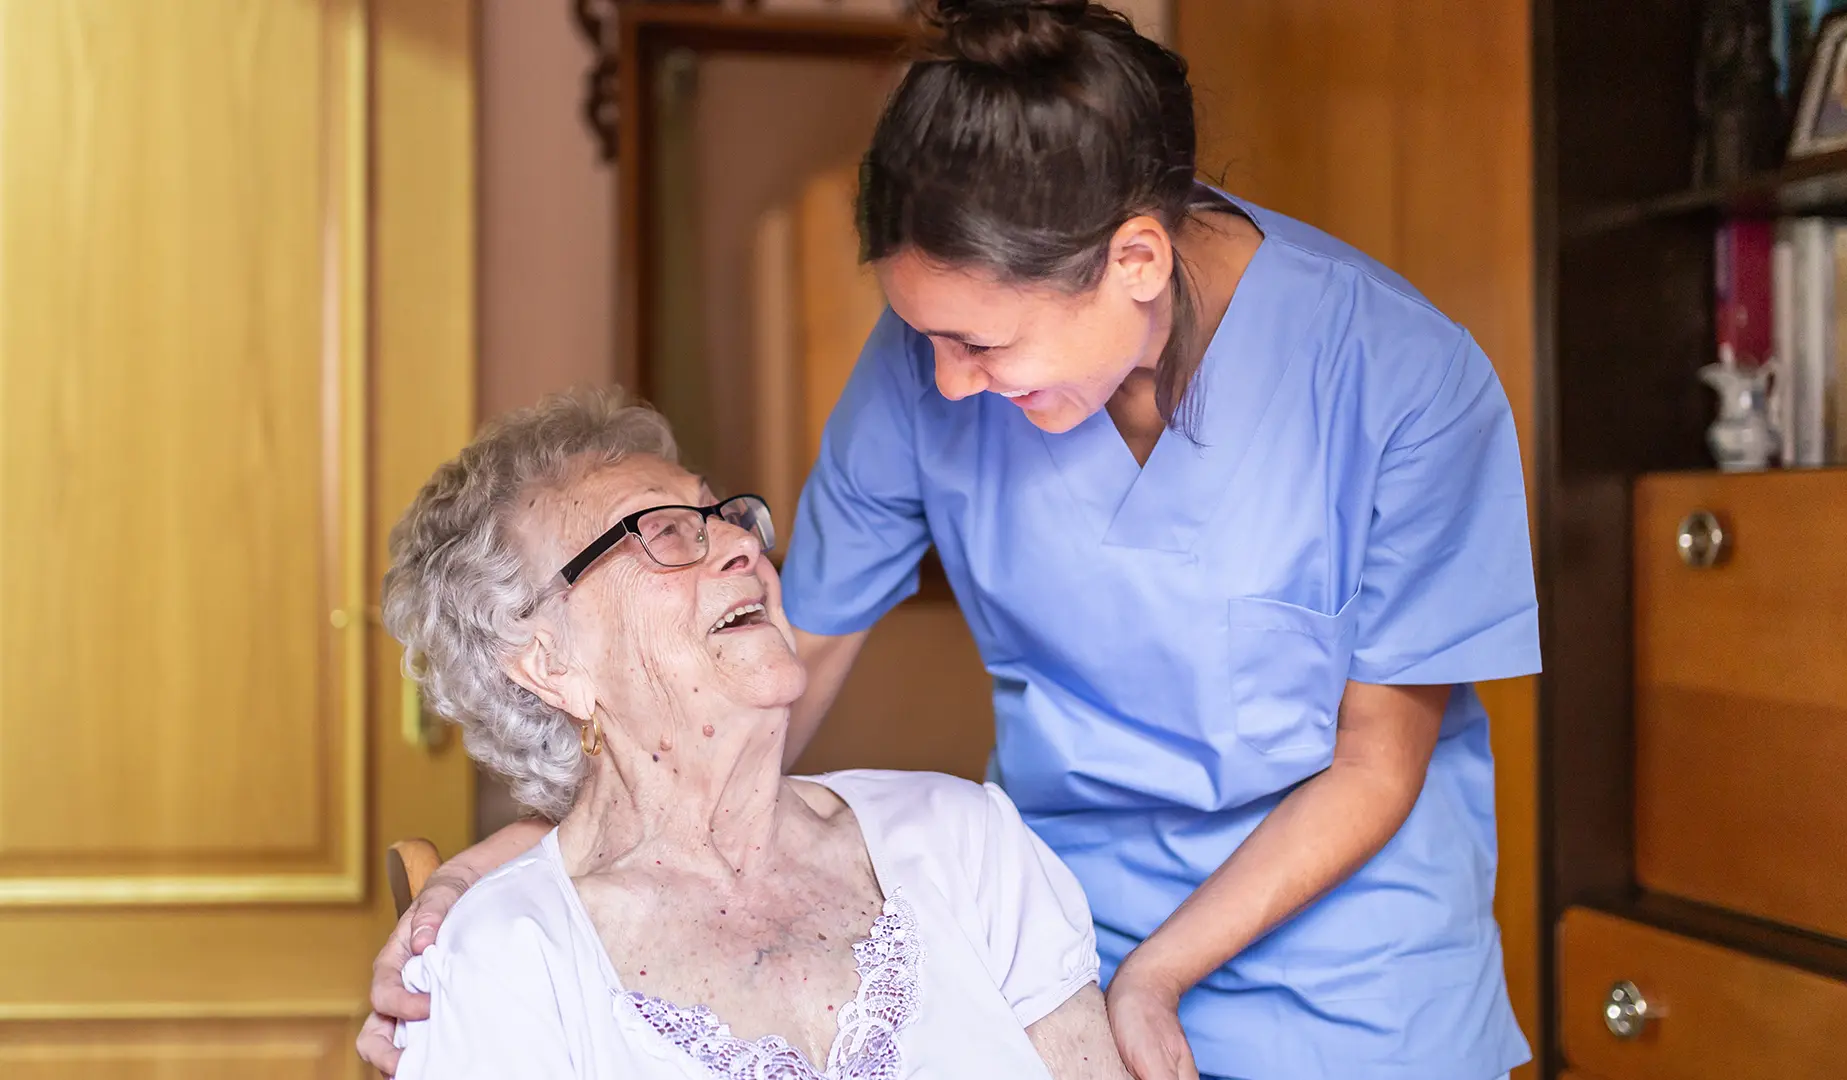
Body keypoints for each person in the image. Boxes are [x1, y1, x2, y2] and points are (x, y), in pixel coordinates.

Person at [364, 2, 1540, 1078]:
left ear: (1136, 260)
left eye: (982, 343)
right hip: (1057, 925)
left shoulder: (1405, 384)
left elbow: (1377, 764)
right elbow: (784, 658)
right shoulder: (926, 373)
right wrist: (540, 867)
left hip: (1353, 975)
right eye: (918, 333)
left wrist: (1160, 974)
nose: (942, 380)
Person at [365, 389, 1130, 1079]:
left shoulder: (966, 844)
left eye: (724, 516)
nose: (741, 545)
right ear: (549, 663)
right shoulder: (508, 959)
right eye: (661, 532)